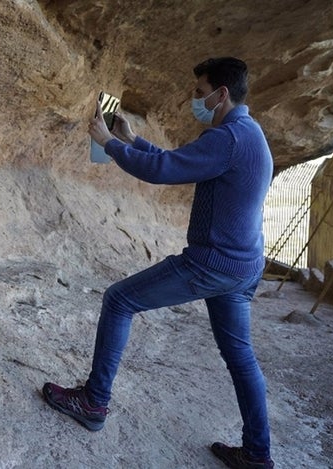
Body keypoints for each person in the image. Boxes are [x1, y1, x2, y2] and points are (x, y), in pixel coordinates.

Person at [42, 57, 275, 469]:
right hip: (242, 268)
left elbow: (164, 170)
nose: (195, 101)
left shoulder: (229, 138)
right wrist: (132, 138)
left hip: (214, 263)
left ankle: (94, 403)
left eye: (200, 93)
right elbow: (181, 160)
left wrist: (108, 142)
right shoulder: (247, 133)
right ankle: (257, 454)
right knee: (241, 358)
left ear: (222, 94)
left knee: (119, 301)